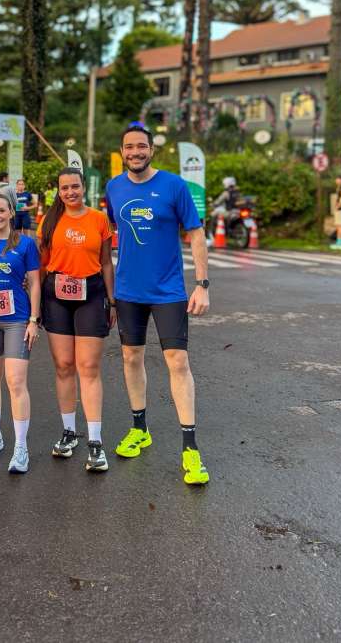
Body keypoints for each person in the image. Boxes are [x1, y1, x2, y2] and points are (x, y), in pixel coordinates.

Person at [105, 125, 210, 486]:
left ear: (151, 150)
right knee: (131, 357)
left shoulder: (174, 186)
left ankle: (190, 448)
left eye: (142, 146)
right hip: (128, 291)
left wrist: (202, 285)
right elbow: (110, 234)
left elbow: (196, 233)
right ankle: (140, 429)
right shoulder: (114, 188)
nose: (135, 152)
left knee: (178, 361)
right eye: (129, 147)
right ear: (122, 151)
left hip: (169, 291)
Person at [37, 167, 115, 472]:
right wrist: (36, 305)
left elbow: (106, 263)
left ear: (84, 187)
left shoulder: (99, 219)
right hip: (55, 295)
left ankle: (95, 441)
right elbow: (41, 265)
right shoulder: (49, 220)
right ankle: (68, 433)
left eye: (75, 186)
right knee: (64, 365)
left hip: (91, 294)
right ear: (58, 191)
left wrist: (112, 300)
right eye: (64, 188)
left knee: (89, 367)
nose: (70, 192)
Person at [0, 187, 41, 474]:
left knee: (16, 381)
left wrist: (34, 320)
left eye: (1, 211)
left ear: (12, 212)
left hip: (18, 319)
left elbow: (35, 283)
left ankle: (20, 446)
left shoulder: (26, 244)